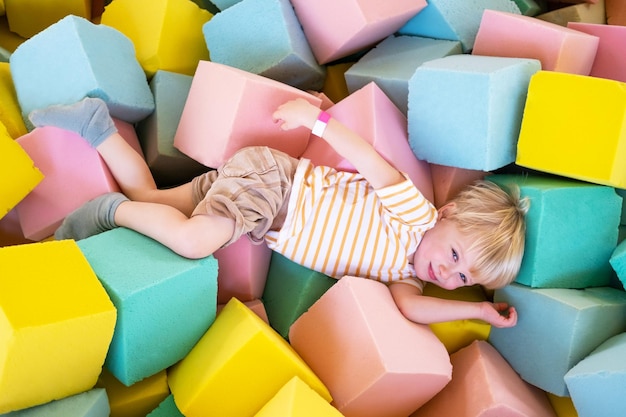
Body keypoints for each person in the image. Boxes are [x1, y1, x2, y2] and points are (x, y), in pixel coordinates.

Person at [29, 96, 529, 328]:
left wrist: (477, 309)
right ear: (446, 215)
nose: (447, 272)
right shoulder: (415, 216)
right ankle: (107, 213)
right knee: (192, 240)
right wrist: (318, 120)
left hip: (261, 208)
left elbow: (411, 309)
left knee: (157, 204)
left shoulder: (407, 276)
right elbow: (371, 162)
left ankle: (98, 129)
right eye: (456, 254)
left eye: (462, 277)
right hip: (276, 186)